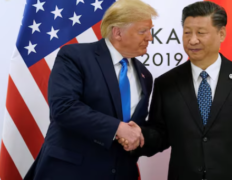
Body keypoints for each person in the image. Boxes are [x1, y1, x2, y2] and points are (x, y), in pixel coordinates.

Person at [121, 1, 232, 180]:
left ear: (221, 34)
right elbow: (160, 134)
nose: (192, 40)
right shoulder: (166, 83)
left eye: (201, 33)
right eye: (187, 32)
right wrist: (137, 137)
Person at [24, 0, 157, 179]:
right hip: (70, 172)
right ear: (117, 32)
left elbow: (134, 126)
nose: (150, 37)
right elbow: (64, 107)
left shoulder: (145, 75)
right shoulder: (75, 56)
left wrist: (137, 136)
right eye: (143, 31)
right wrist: (117, 128)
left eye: (150, 30)